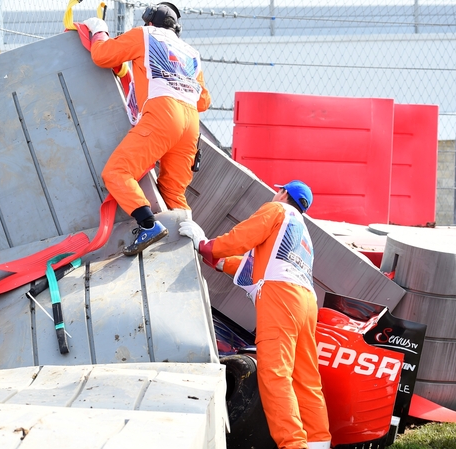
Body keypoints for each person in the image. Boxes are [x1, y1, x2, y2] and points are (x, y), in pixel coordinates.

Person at [179, 180, 332, 449]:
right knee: (306, 377)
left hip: (281, 298)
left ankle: (293, 445)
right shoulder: (302, 232)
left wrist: (206, 245)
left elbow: (242, 237)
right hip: (306, 302)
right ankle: (319, 441)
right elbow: (259, 267)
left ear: (283, 193)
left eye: (278, 190)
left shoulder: (276, 209)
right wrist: (217, 260)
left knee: (275, 374)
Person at [81, 2, 211, 256]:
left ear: (150, 21)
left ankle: (148, 225)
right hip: (190, 125)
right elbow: (204, 102)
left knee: (117, 172)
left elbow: (102, 56)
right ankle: (186, 252)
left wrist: (98, 31)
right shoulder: (191, 52)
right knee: (173, 193)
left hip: (163, 114)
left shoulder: (144, 34)